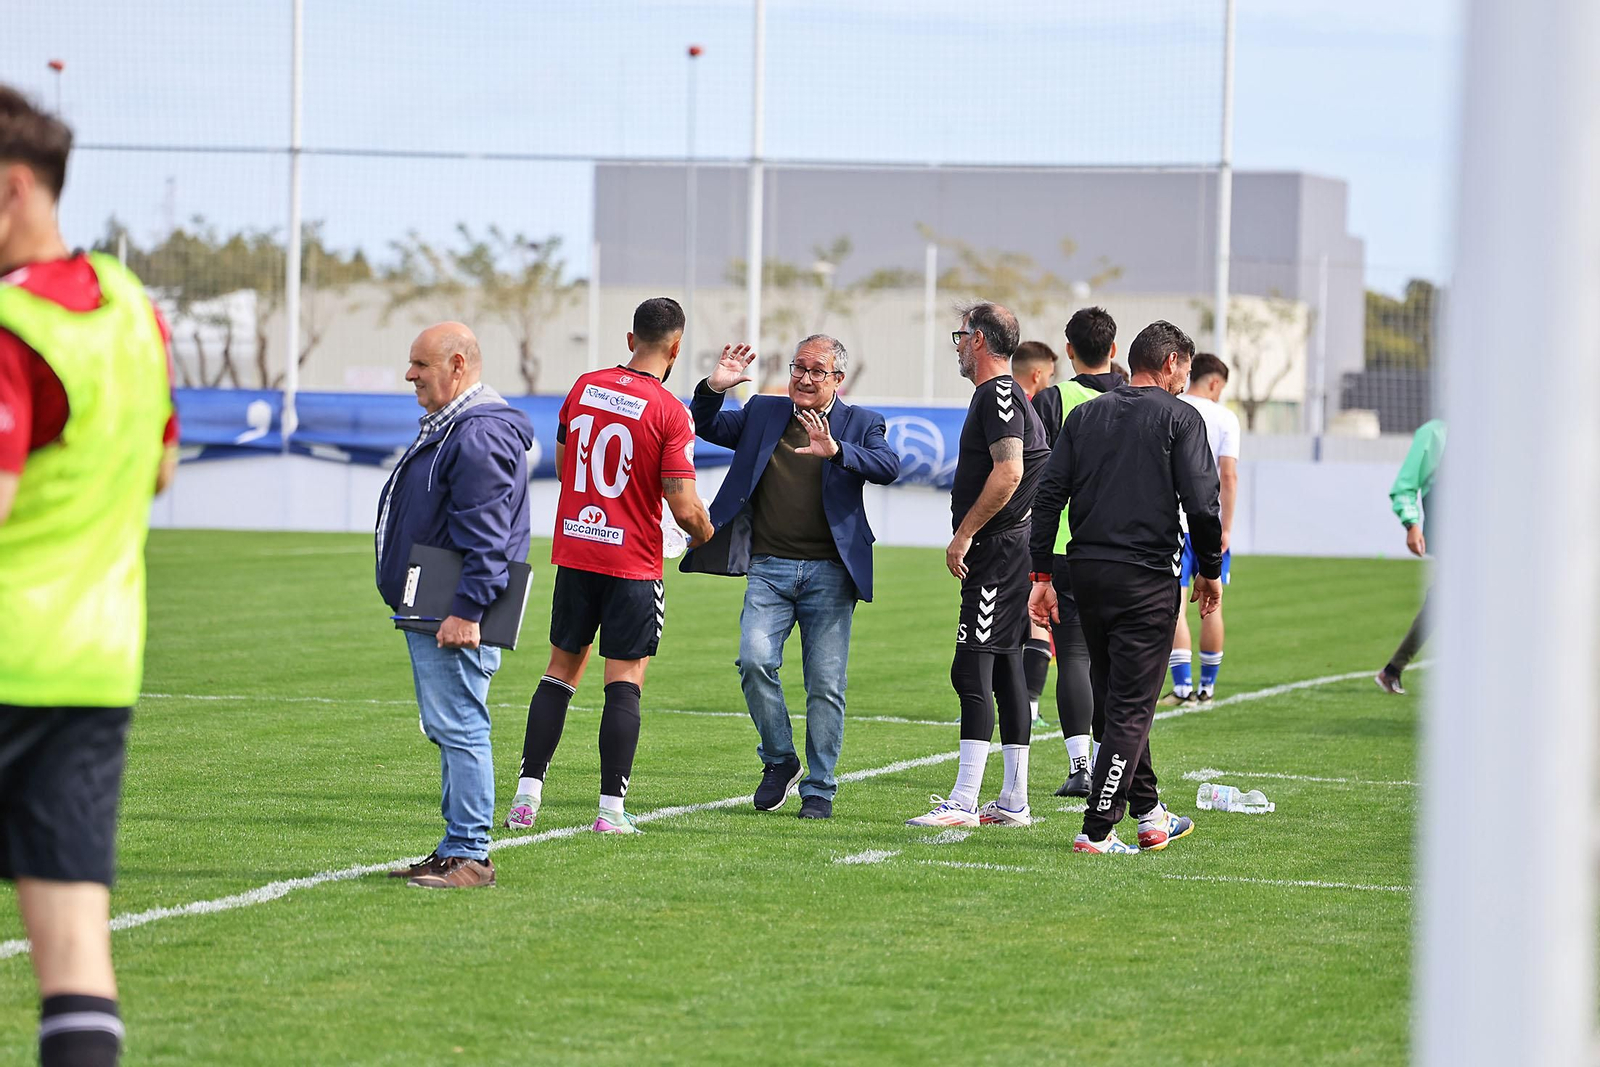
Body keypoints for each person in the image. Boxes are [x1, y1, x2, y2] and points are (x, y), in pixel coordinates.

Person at [0, 85, 179, 1067]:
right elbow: (158, 463)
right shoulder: (127, 305)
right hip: (93, 666)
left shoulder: (11, 327)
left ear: (14, 187)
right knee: (74, 961)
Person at [507, 297, 713, 834]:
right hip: (632, 563)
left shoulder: (582, 387)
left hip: (576, 551)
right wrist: (707, 535)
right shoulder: (670, 411)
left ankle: (526, 799)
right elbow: (682, 501)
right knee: (624, 679)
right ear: (676, 347)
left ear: (630, 340)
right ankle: (610, 813)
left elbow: (563, 464)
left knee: (559, 671)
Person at [682, 335, 900, 819]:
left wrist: (837, 449)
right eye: (798, 367)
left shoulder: (862, 422)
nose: (803, 377)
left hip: (831, 573)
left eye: (816, 370)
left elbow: (888, 466)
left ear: (837, 379)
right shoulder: (763, 411)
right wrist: (713, 388)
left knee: (825, 685)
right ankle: (780, 761)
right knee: (753, 661)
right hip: (768, 568)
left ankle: (820, 789)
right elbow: (705, 423)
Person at [1028, 320, 1221, 854]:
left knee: (1116, 697)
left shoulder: (1085, 414)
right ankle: (1097, 828)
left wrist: (1040, 576)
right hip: (1144, 576)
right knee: (1133, 705)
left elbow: (1048, 497)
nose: (1186, 377)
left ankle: (1150, 812)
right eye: (1185, 366)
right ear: (1171, 363)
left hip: (1086, 572)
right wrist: (1209, 569)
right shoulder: (1181, 417)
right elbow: (1203, 504)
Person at [376, 322, 532, 889]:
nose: (410, 374)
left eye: (421, 364)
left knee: (461, 725)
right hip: (440, 603)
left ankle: (470, 853)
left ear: (459, 365)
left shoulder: (476, 434)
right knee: (449, 725)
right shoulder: (459, 428)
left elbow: (487, 539)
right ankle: (454, 847)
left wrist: (466, 610)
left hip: (454, 608)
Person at [908, 302, 1049, 828]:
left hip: (996, 551)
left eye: (961, 335)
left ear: (982, 341)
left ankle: (964, 800)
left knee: (971, 667)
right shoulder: (1005, 396)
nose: (958, 345)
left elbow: (1009, 471)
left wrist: (963, 535)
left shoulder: (1000, 394)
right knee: (1009, 668)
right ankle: (1014, 799)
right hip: (1010, 547)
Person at [1029, 306, 1121, 797]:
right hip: (1122, 549)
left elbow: (1037, 476)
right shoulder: (1134, 397)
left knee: (1076, 656)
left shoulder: (1052, 399)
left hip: (1065, 546)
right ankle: (1117, 766)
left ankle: (1081, 766)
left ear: (1068, 350)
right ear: (1113, 349)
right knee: (1117, 658)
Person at [1161, 352, 1241, 705]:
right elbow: (1228, 475)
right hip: (1208, 522)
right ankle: (1207, 687)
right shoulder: (1225, 418)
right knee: (1213, 604)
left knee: (1175, 607)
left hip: (1174, 522)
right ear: (1214, 382)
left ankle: (1181, 687)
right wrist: (1227, 526)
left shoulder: (1170, 407)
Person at [1375, 418, 1446, 695]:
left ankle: (1392, 670)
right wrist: (1411, 523)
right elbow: (1405, 485)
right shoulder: (1435, 433)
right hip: (1452, 537)